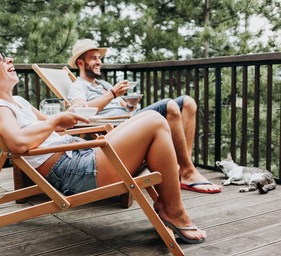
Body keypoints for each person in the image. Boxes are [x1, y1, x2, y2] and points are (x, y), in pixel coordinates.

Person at [0, 44, 206, 244]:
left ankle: (168, 204)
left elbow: (55, 126)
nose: (9, 59)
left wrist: (66, 120)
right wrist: (57, 120)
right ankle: (173, 210)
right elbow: (17, 143)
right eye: (0, 58)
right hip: (71, 169)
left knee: (152, 118)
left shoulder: (18, 101)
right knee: (153, 119)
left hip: (77, 153)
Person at [67, 39, 221, 194]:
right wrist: (112, 94)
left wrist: (130, 104)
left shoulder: (103, 85)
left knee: (188, 102)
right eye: (93, 58)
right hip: (119, 130)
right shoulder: (78, 86)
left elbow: (123, 107)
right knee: (170, 106)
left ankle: (183, 169)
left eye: (99, 58)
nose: (99, 62)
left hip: (130, 119)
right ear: (80, 63)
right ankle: (188, 173)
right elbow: (78, 110)